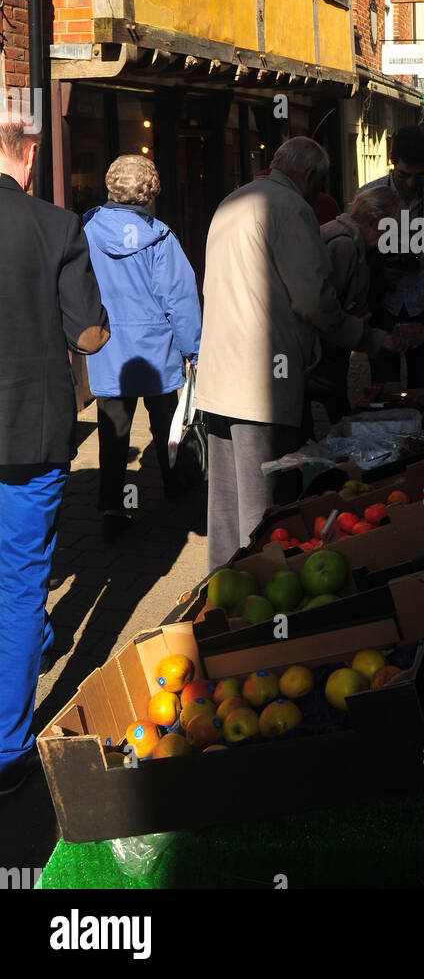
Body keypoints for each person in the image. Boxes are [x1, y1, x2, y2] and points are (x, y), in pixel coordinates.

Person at [196, 137, 403, 567]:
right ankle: (258, 601)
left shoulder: (231, 202)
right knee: (262, 505)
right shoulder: (290, 209)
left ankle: (220, 594)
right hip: (260, 380)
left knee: (226, 506)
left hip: (219, 374)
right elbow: (314, 302)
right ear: (310, 177)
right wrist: (370, 339)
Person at [0, 119, 109, 794]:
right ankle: (7, 753)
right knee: (19, 590)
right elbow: (90, 338)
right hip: (30, 433)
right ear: (30, 151)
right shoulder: (57, 225)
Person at [83, 155, 202, 534]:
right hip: (155, 348)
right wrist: (194, 349)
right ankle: (173, 485)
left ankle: (111, 508)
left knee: (113, 430)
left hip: (109, 348)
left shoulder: (87, 230)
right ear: (150, 190)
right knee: (165, 423)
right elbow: (179, 299)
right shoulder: (161, 237)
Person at [363, 124, 424, 387]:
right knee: (385, 388)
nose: (411, 183)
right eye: (404, 174)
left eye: (419, 176)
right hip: (383, 305)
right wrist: (377, 272)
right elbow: (356, 253)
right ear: (392, 159)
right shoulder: (370, 195)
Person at [310, 184, 402, 423]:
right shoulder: (346, 244)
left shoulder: (344, 235)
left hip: (321, 346)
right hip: (319, 350)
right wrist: (360, 326)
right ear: (376, 223)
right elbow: (327, 310)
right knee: (335, 410)